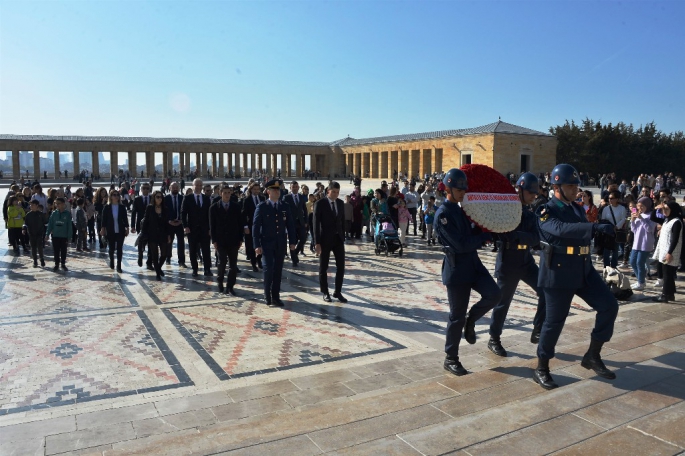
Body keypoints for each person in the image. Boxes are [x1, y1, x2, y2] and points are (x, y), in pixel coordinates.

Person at [534, 164, 619, 390]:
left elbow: (580, 232)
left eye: (575, 185)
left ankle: (592, 355)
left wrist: (602, 236)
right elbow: (560, 230)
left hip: (583, 268)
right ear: (557, 186)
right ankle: (542, 367)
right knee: (554, 323)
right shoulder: (546, 210)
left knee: (609, 305)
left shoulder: (577, 208)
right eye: (570, 185)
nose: (575, 189)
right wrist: (594, 229)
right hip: (558, 271)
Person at [434, 168, 501, 376]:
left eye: (464, 189)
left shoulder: (461, 210)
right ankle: (451, 358)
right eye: (458, 189)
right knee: (456, 316)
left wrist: (485, 229)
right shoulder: (443, 214)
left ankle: (472, 320)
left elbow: (470, 233)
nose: (462, 192)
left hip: (473, 264)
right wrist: (482, 237)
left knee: (494, 294)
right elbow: (460, 244)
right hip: (457, 269)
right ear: (448, 188)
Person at [488, 173, 547, 357]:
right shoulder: (506, 210)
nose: (533, 197)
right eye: (530, 193)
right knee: (502, 302)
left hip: (525, 259)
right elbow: (504, 234)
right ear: (520, 190)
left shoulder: (529, 213)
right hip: (508, 261)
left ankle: (537, 329)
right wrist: (520, 236)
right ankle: (494, 339)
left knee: (545, 291)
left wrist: (519, 236)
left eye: (534, 194)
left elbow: (536, 238)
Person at [252, 179, 297, 306]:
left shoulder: (285, 206)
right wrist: (257, 245)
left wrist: (292, 242)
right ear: (268, 192)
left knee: (278, 271)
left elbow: (290, 225)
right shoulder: (262, 207)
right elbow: (255, 227)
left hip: (280, 243)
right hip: (266, 243)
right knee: (268, 269)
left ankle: (276, 296)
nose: (277, 192)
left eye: (278, 190)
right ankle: (267, 295)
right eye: (274, 190)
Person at [313, 181, 347, 303]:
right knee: (323, 267)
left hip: (338, 239)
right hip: (324, 240)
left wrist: (343, 235)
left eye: (337, 192)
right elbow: (315, 224)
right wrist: (317, 243)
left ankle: (337, 291)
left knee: (341, 267)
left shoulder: (340, 203)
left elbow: (342, 221)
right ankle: (325, 291)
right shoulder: (320, 203)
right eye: (333, 192)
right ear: (328, 191)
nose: (335, 195)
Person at [210, 185, 243, 295]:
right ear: (220, 193)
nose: (227, 195)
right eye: (225, 192)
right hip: (220, 240)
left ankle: (230, 286)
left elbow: (240, 224)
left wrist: (240, 239)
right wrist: (214, 240)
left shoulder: (236, 207)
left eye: (229, 192)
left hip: (233, 240)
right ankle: (220, 281)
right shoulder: (214, 208)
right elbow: (212, 226)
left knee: (233, 265)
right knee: (222, 262)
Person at [651, 201, 682, 302]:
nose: (664, 211)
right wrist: (656, 209)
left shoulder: (676, 222)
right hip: (664, 250)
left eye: (667, 209)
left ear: (673, 210)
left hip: (670, 252)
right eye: (664, 209)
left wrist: (669, 253)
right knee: (668, 274)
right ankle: (671, 294)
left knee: (667, 274)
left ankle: (665, 295)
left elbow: (675, 239)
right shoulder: (667, 219)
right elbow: (653, 218)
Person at [181, 178, 213, 277]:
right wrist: (185, 226)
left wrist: (210, 228)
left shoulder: (206, 198)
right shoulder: (187, 198)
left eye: (200, 185)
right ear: (193, 186)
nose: (198, 187)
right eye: (196, 185)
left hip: (204, 229)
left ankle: (207, 269)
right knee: (193, 249)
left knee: (206, 249)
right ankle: (194, 269)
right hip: (192, 228)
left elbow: (210, 215)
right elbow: (183, 213)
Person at [142, 191, 170, 280]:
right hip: (152, 234)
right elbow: (145, 221)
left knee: (164, 254)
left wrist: (169, 234)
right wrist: (144, 234)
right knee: (154, 254)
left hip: (163, 234)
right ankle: (158, 273)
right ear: (154, 198)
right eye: (157, 197)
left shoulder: (165, 209)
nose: (159, 199)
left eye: (161, 197)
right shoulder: (150, 208)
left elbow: (167, 223)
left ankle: (158, 268)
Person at [100, 190, 130, 272]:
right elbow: (104, 219)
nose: (116, 196)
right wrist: (103, 229)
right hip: (110, 230)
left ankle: (119, 265)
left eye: (117, 195)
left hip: (120, 230)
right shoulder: (107, 207)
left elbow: (125, 218)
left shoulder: (122, 207)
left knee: (120, 248)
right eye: (114, 195)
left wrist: (127, 228)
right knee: (111, 248)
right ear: (111, 196)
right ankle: (112, 261)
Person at [599, 191, 628, 269]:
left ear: (617, 199)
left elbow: (623, 219)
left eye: (612, 198)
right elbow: (603, 219)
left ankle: (614, 267)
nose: (610, 200)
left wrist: (616, 227)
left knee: (615, 250)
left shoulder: (622, 208)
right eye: (609, 198)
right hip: (607, 232)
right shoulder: (606, 208)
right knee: (606, 251)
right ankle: (606, 267)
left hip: (616, 231)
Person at [282, 181, 308, 266]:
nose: (295, 188)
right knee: (293, 241)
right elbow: (283, 211)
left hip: (300, 222)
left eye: (296, 187)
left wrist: (306, 221)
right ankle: (294, 259)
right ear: (290, 188)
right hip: (291, 222)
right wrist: (284, 222)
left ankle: (295, 253)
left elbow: (304, 209)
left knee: (303, 239)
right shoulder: (286, 197)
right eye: (293, 187)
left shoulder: (301, 197)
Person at [242, 182, 265, 272]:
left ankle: (259, 259)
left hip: (262, 226)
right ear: (251, 190)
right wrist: (245, 226)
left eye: (257, 189)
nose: (256, 191)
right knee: (252, 245)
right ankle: (253, 262)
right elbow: (244, 214)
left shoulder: (263, 198)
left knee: (262, 243)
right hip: (251, 225)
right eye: (254, 189)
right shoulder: (247, 200)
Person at [45, 197, 73, 271]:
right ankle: (56, 263)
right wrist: (47, 234)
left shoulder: (67, 214)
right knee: (56, 250)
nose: (57, 205)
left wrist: (69, 236)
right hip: (55, 236)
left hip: (64, 236)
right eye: (56, 204)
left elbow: (69, 226)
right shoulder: (54, 213)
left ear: (63, 204)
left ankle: (63, 263)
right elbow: (50, 224)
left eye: (59, 204)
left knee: (64, 250)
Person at [164, 182, 187, 267]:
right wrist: (169, 221)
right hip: (170, 223)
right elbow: (164, 212)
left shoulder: (183, 198)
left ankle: (181, 261)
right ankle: (168, 258)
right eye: (173, 187)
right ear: (170, 188)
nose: (175, 189)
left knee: (181, 242)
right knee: (169, 241)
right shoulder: (166, 198)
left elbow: (185, 211)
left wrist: (182, 221)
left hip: (180, 224)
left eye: (176, 187)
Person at [131, 183, 152, 269]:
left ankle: (149, 263)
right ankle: (140, 256)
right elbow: (133, 213)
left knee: (151, 244)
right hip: (140, 225)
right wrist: (132, 226)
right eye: (144, 188)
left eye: (147, 188)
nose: (146, 190)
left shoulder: (152, 198)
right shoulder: (137, 199)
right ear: (141, 189)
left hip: (151, 225)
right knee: (141, 242)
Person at [24, 200, 46, 267]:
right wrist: (24, 229)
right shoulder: (28, 215)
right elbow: (25, 224)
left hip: (39, 233)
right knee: (33, 247)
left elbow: (45, 223)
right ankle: (35, 261)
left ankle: (41, 258)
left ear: (37, 206)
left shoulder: (41, 214)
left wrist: (46, 233)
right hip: (31, 233)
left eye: (33, 205)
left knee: (40, 247)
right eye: (30, 205)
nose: (31, 206)